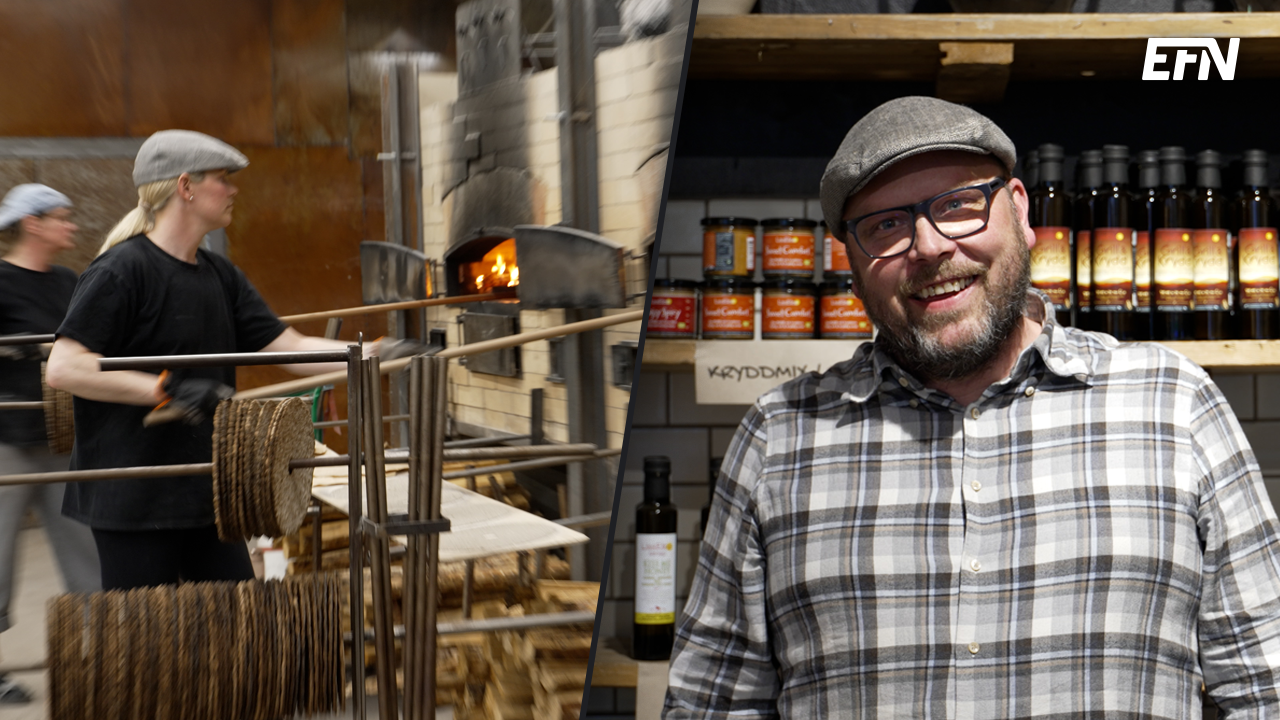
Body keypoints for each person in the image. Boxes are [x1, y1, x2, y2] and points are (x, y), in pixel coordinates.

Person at [664, 96, 1280, 718]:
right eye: (885, 226)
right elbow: (711, 706)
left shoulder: (1174, 404)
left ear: (1020, 210)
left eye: (958, 205)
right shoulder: (779, 435)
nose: (929, 246)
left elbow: (1266, 689)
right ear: (850, 265)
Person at [44, 130, 397, 590]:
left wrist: (372, 355)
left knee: (233, 619)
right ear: (185, 186)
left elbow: (288, 347)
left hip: (206, 490)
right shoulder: (121, 270)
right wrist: (165, 389)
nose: (233, 190)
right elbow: (64, 367)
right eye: (222, 179)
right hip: (131, 496)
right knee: (152, 631)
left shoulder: (220, 275)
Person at [0, 184, 101, 704]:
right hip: (6, 445)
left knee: (86, 548)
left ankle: (106, 656)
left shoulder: (67, 281)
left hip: (61, 439)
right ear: (33, 224)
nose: (72, 225)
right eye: (62, 217)